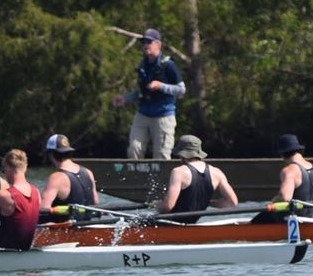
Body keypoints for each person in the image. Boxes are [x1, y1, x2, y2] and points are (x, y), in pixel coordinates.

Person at [112, 29, 185, 159]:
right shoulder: (143, 65)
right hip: (143, 114)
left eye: (149, 42)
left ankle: (161, 180)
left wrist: (161, 86)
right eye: (143, 42)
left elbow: (181, 89)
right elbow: (141, 91)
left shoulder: (168, 65)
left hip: (163, 116)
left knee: (161, 155)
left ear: (158, 44)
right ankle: (134, 179)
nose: (145, 45)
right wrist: (125, 99)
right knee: (134, 149)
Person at [159, 135, 238, 214]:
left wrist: (158, 206)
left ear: (182, 154)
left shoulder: (178, 172)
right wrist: (208, 203)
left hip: (171, 223)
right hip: (194, 222)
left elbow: (168, 206)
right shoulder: (217, 172)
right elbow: (232, 203)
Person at [258, 135, 313, 222]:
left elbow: (285, 197)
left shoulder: (289, 171)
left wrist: (273, 201)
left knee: (258, 218)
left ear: (282, 154)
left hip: (289, 220)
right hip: (310, 219)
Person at [37, 134, 99, 213]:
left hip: (67, 224)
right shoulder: (88, 172)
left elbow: (43, 208)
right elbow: (96, 201)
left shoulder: (56, 178)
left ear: (51, 154)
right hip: (90, 222)